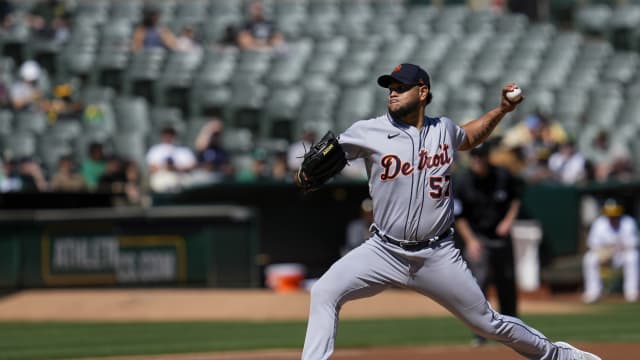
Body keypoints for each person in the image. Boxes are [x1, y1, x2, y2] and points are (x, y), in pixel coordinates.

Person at [297, 63, 601, 360]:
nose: (392, 93)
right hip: (383, 250)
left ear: (422, 92)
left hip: (437, 254)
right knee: (325, 291)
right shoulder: (367, 131)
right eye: (390, 88)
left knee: (487, 322)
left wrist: (502, 110)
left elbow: (468, 137)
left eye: (400, 88)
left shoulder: (442, 129)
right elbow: (326, 158)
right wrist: (305, 175)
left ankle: (556, 354)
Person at [453, 142, 522, 346]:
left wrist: (509, 221)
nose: (477, 160)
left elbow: (515, 200)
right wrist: (471, 241)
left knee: (507, 282)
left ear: (487, 157)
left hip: (501, 238)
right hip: (478, 238)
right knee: (479, 283)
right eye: (474, 156)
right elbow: (459, 216)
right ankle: (481, 332)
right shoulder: (463, 181)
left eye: (481, 156)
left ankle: (513, 331)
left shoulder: (502, 176)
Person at [582, 198, 638, 304]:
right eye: (610, 214)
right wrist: (604, 252)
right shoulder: (599, 223)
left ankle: (631, 292)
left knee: (633, 256)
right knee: (589, 258)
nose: (613, 217)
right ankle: (593, 292)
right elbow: (592, 243)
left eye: (615, 214)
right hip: (606, 254)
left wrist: (618, 247)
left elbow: (633, 244)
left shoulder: (628, 222)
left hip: (622, 255)